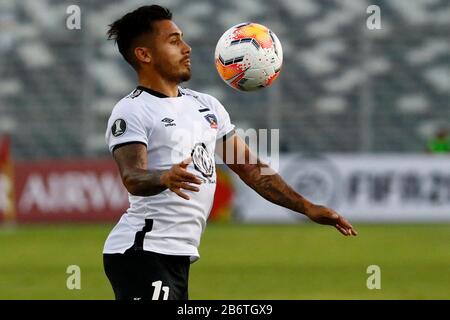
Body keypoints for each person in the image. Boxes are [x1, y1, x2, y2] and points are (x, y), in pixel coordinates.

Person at [103, 5, 357, 301]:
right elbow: (133, 177)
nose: (186, 48)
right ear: (144, 55)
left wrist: (307, 207)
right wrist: (164, 177)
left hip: (177, 256)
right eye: (173, 41)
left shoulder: (207, 106)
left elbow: (251, 169)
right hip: (140, 251)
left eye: (182, 38)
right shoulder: (132, 109)